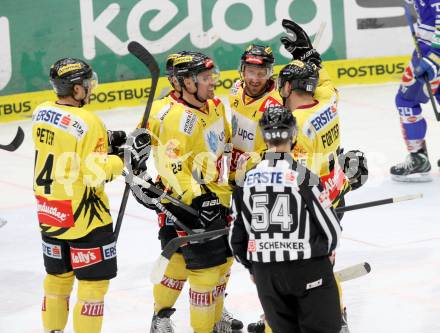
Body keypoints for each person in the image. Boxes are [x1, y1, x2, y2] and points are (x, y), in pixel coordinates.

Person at [245, 20, 368, 333]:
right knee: (324, 265)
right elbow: (324, 80)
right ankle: (336, 317)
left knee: (306, 269)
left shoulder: (295, 124)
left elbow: (293, 176)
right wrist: (308, 53)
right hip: (335, 193)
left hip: (311, 206)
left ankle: (313, 318)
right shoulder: (328, 100)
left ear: (286, 88)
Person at [131, 51, 243, 333]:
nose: (212, 82)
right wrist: (199, 198)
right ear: (185, 83)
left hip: (218, 196)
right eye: (205, 78)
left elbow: (226, 143)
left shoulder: (215, 105)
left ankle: (215, 311)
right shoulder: (177, 119)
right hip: (187, 204)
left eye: (211, 76)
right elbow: (174, 169)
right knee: (198, 269)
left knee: (221, 261)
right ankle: (163, 316)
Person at [229, 105, 342, 333]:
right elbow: (332, 230)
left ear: (264, 136)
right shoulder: (304, 177)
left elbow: (236, 238)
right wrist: (325, 256)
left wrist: (254, 268)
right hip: (308, 267)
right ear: (293, 135)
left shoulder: (245, 181)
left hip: (267, 275)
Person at [32, 58, 125, 333]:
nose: (89, 88)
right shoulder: (89, 120)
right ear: (75, 90)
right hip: (86, 219)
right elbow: (95, 172)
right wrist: (120, 159)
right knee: (92, 286)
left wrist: (105, 140)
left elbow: (66, 144)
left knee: (57, 280)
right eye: (85, 84)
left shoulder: (40, 113)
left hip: (50, 211)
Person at [390, 0, 440, 181]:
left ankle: (418, 159)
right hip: (428, 49)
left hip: (431, 53)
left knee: (406, 100)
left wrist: (435, 58)